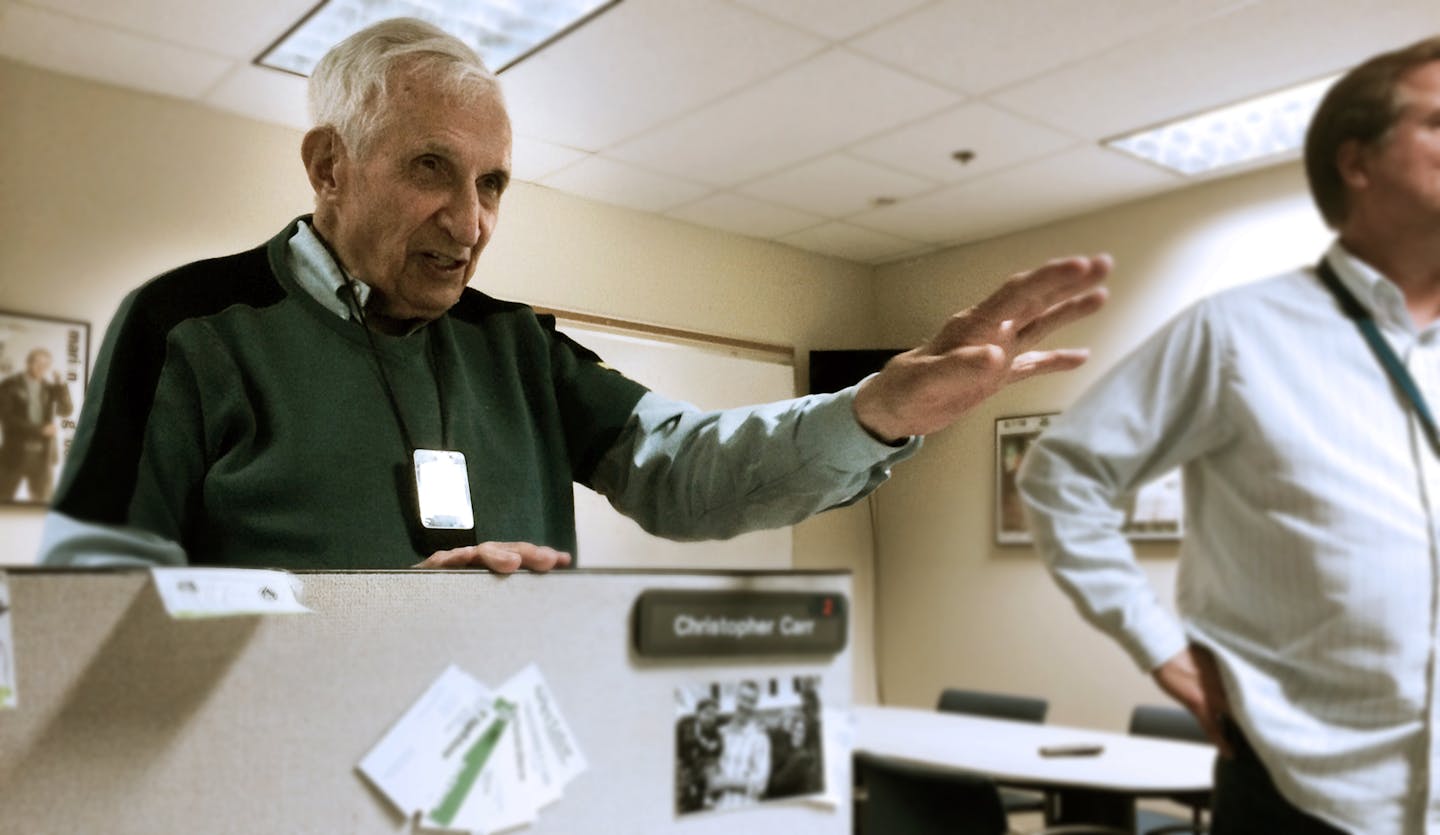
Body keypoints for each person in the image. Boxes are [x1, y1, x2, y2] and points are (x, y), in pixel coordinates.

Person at [38, 17, 1109, 571]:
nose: (470, 223)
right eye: (428, 170)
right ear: (328, 166)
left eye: (492, 181)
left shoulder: (518, 347)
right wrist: (371, 619)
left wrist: (874, 412)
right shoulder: (187, 326)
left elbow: (687, 466)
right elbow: (94, 600)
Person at [1018, 36, 1440, 835]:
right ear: (1357, 162)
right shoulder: (1237, 333)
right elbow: (1060, 475)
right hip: (1302, 788)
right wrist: (1160, 648)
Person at [0, 348, 74, 503]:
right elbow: (7, 419)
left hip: (44, 455)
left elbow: (66, 411)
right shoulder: (9, 385)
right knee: (4, 499)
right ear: (28, 363)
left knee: (42, 504)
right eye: (38, 363)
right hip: (16, 453)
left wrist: (60, 385)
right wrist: (40, 430)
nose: (42, 368)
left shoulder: (49, 387)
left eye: (46, 365)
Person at [707, 680, 770, 810]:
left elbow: (760, 784)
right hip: (717, 809)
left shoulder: (760, 738)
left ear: (756, 704)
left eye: (751, 701)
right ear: (735, 699)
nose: (746, 705)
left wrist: (725, 782)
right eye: (743, 698)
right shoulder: (721, 733)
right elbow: (710, 777)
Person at [675, 697, 724, 813]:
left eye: (714, 715)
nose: (711, 718)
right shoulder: (683, 726)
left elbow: (716, 748)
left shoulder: (715, 732)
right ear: (697, 713)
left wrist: (704, 743)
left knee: (712, 766)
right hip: (685, 770)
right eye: (707, 713)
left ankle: (708, 798)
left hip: (703, 773)